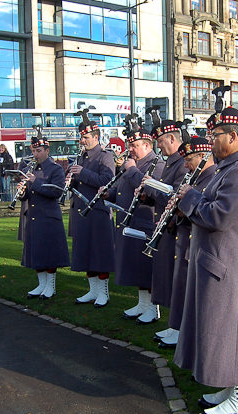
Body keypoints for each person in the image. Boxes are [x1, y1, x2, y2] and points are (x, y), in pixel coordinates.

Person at [174, 107, 238, 414]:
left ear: (232, 136)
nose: (211, 142)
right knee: (221, 331)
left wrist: (189, 198)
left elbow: (219, 216)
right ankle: (228, 391)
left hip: (230, 263)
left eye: (215, 136)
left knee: (233, 334)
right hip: (221, 261)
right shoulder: (233, 167)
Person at [158, 137, 217, 349]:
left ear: (203, 157)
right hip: (184, 240)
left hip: (197, 243)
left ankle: (183, 332)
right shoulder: (196, 177)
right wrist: (172, 218)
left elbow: (208, 212)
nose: (185, 165)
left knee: (188, 290)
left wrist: (183, 210)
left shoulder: (212, 178)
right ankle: (176, 327)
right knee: (180, 286)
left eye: (189, 159)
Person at [106, 123, 164, 323]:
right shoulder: (133, 164)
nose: (129, 149)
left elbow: (151, 190)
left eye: (134, 145)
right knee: (135, 267)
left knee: (146, 268)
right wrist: (109, 194)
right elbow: (123, 190)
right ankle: (142, 304)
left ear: (147, 145)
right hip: (129, 222)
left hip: (145, 222)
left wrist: (130, 170)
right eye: (129, 145)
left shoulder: (156, 163)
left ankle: (152, 309)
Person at [143, 118, 188, 340]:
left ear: (172, 138)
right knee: (167, 277)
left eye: (161, 141)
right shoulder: (171, 161)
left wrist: (150, 187)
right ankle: (173, 325)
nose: (158, 146)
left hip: (176, 229)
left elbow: (176, 195)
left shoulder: (181, 162)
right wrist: (147, 195)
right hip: (165, 226)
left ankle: (178, 328)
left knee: (176, 280)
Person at [68, 113, 116, 308]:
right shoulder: (81, 156)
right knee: (86, 252)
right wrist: (70, 180)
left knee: (100, 253)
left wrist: (83, 173)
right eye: (81, 137)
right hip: (82, 210)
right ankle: (93, 290)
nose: (83, 141)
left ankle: (103, 292)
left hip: (98, 211)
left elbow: (108, 180)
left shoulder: (105, 156)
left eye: (86, 138)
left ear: (96, 137)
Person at [17, 136, 70, 299]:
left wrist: (35, 182)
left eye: (38, 151)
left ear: (47, 151)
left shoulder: (55, 169)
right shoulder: (31, 168)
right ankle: (41, 285)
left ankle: (50, 286)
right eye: (33, 151)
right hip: (34, 215)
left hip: (49, 216)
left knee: (49, 253)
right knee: (37, 252)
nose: (35, 154)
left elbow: (57, 191)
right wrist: (22, 192)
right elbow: (28, 195)